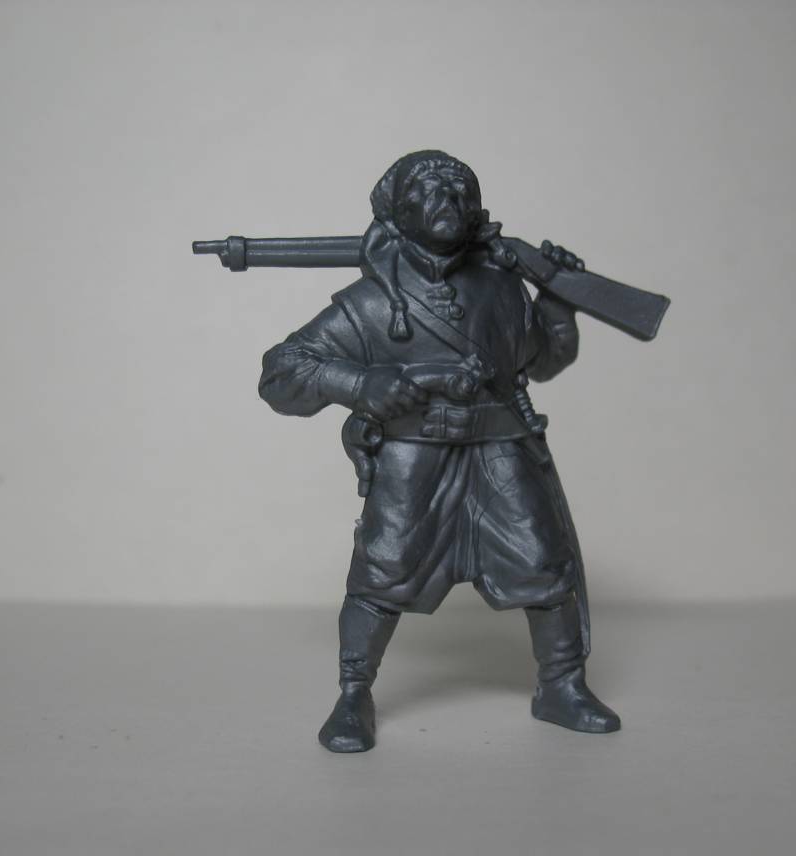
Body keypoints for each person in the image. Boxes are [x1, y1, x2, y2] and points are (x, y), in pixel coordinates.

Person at [259, 150, 620, 752]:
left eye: (458, 189)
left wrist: (557, 299)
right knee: (382, 572)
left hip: (499, 450)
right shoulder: (370, 303)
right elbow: (281, 372)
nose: (445, 199)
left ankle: (561, 685)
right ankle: (353, 696)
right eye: (426, 190)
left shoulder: (502, 286)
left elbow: (543, 361)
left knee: (542, 561)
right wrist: (360, 383)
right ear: (397, 212)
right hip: (414, 458)